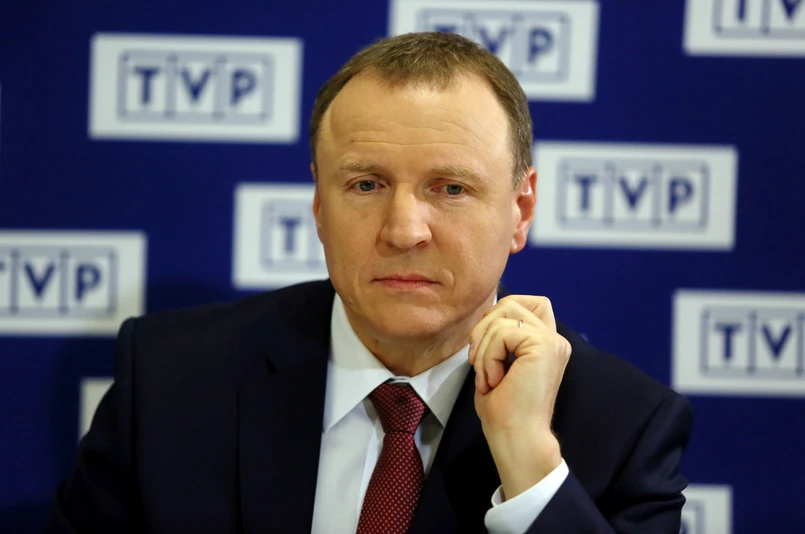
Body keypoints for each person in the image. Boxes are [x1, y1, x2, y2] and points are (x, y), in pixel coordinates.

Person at [46, 32, 692, 533]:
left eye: (451, 188)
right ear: (318, 205)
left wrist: (529, 466)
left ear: (520, 211)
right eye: (365, 184)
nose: (404, 230)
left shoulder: (620, 424)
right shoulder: (168, 379)